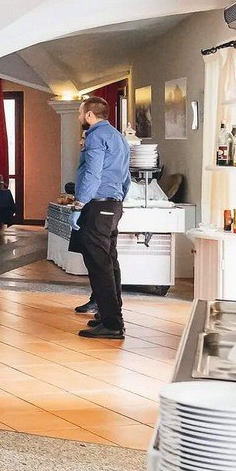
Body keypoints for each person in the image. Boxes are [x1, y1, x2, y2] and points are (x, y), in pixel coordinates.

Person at [69, 96, 131, 339]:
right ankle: (109, 315)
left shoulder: (95, 136)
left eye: (80, 112)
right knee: (109, 261)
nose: (79, 117)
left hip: (98, 204)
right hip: (113, 204)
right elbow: (126, 177)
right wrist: (118, 199)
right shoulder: (118, 137)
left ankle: (113, 324)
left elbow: (93, 174)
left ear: (89, 115)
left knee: (99, 265)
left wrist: (79, 204)